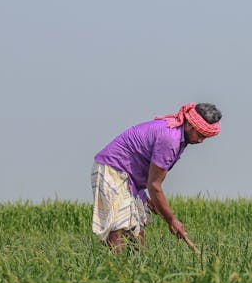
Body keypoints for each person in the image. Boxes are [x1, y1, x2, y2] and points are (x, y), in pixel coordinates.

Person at [91, 102, 222, 252]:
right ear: (190, 125)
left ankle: (140, 269)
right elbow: (154, 185)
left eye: (204, 137)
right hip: (113, 169)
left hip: (131, 178)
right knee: (119, 225)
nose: (200, 140)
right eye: (200, 135)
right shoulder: (170, 139)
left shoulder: (179, 136)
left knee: (137, 224)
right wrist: (172, 220)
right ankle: (116, 272)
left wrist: (149, 200)